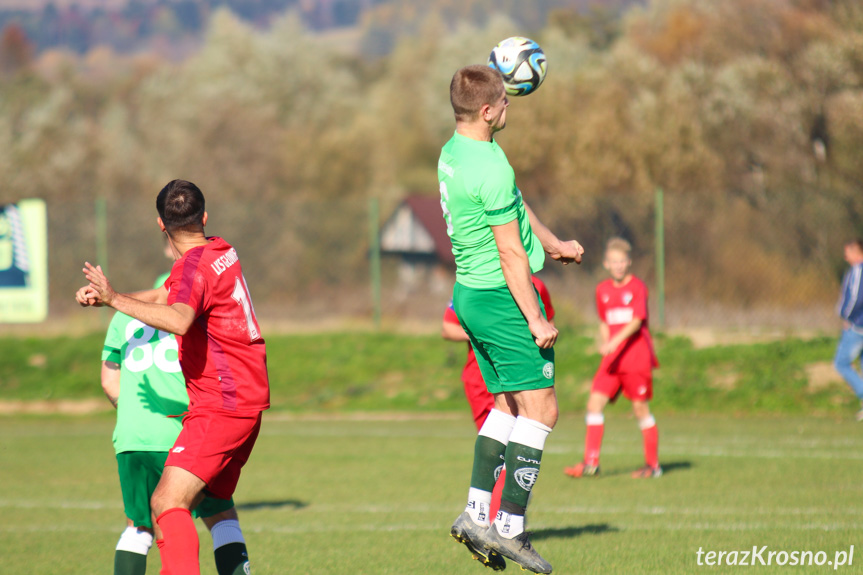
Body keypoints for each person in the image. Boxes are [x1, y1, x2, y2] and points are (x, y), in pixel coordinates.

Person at [77, 179, 269, 575]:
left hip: (221, 403)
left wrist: (114, 299)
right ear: (204, 217)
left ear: (160, 225)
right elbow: (171, 294)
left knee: (166, 502)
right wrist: (112, 297)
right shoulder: (221, 250)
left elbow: (180, 318)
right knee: (217, 508)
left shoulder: (190, 270)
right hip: (247, 399)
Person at [440, 64, 584, 575]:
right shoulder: (491, 166)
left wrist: (552, 243)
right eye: (503, 101)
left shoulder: (456, 152)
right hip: (502, 298)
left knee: (505, 405)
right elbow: (508, 254)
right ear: (486, 110)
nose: (509, 106)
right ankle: (510, 528)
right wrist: (536, 319)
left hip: (470, 295)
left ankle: (477, 512)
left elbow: (513, 208)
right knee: (542, 411)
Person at [102, 241, 252, 575]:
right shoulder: (193, 310)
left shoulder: (121, 318)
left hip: (132, 436)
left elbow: (109, 380)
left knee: (138, 526)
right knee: (220, 514)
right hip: (182, 429)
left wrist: (131, 414)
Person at [564, 237, 661, 480]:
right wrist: (606, 342)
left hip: (635, 358)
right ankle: (591, 463)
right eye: (613, 261)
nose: (618, 265)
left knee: (640, 410)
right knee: (593, 405)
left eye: (622, 261)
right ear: (607, 264)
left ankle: (653, 466)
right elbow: (604, 321)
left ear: (628, 262)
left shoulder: (637, 288)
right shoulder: (602, 290)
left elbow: (637, 320)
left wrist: (614, 342)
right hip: (612, 361)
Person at [442, 276, 556, 431]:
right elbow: (448, 328)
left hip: (522, 372)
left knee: (532, 426)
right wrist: (487, 334)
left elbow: (548, 326)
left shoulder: (537, 285)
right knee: (496, 438)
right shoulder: (475, 283)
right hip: (483, 378)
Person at [834, 238, 863, 421]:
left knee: (841, 363)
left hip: (857, 326)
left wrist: (846, 316)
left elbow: (857, 298)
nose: (846, 257)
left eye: (848, 252)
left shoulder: (858, 270)